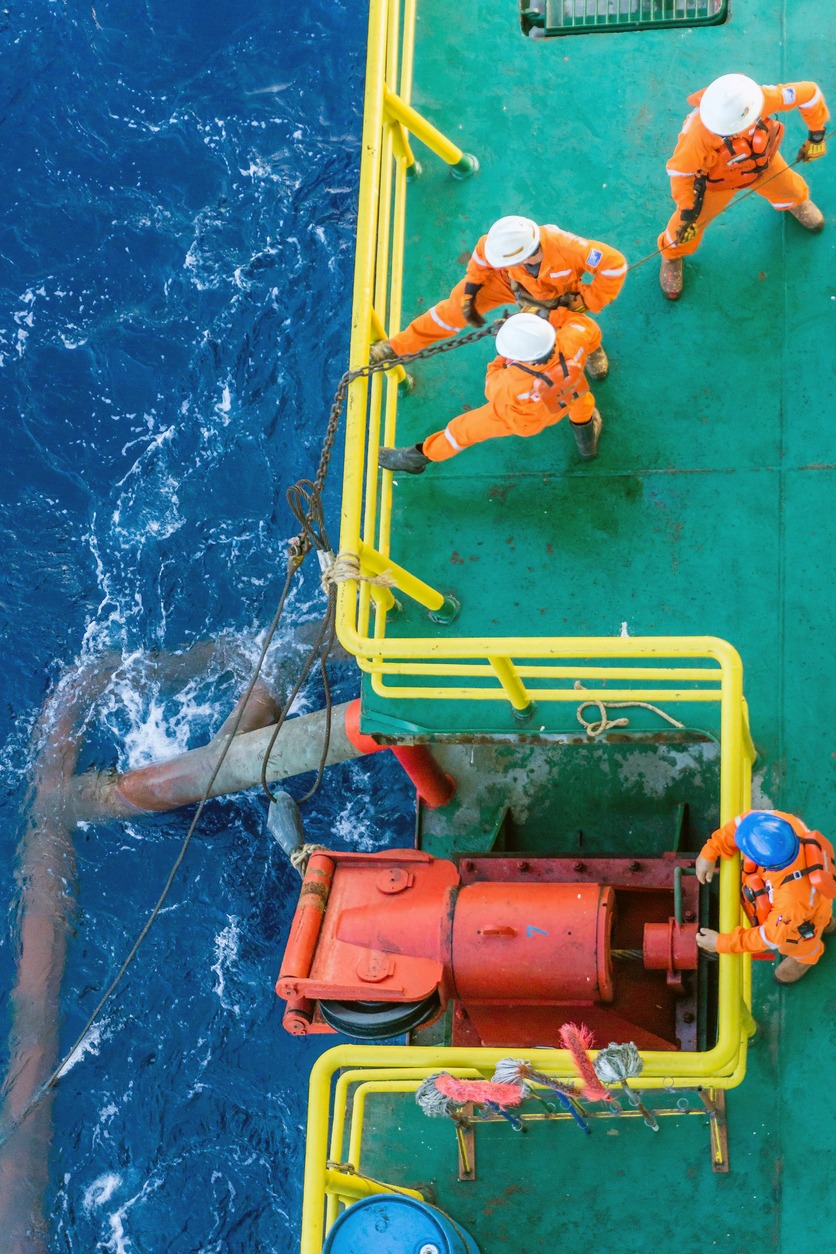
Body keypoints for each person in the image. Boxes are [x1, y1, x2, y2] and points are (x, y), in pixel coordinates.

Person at [370, 215, 626, 381]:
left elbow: (614, 265)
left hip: (559, 299)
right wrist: (470, 292)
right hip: (510, 284)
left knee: (574, 334)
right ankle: (396, 347)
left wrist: (589, 299)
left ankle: (592, 351)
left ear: (525, 255)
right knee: (451, 311)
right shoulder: (502, 244)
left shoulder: (570, 249)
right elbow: (482, 258)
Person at [658, 74, 829, 299]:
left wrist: (816, 135)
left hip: (763, 164)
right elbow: (681, 173)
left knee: (793, 190)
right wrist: (688, 209)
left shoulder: (760, 98)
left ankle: (794, 203)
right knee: (685, 227)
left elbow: (809, 93)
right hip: (717, 184)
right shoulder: (697, 133)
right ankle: (671, 254)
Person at [377, 310, 602, 473]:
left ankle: (414, 459)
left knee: (460, 431)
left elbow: (491, 384)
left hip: (523, 420)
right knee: (584, 406)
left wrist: (502, 358)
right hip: (574, 397)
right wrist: (544, 316)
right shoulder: (575, 336)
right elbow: (583, 325)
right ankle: (587, 447)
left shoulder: (510, 382)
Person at [695, 809, 836, 984]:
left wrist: (720, 943)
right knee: (821, 912)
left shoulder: (791, 901)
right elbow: (743, 823)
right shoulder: (785, 823)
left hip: (802, 921)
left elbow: (770, 936)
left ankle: (807, 957)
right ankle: (830, 925)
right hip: (816, 900)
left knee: (803, 946)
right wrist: (710, 851)